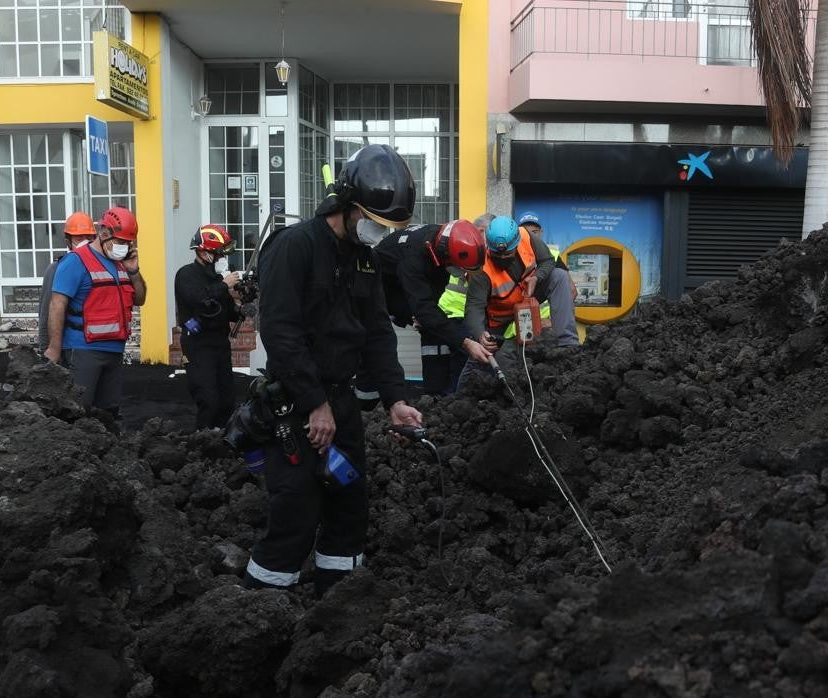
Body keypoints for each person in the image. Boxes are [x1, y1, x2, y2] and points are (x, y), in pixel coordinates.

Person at [241, 143, 423, 597]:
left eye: (390, 227)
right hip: (297, 406)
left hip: (340, 406)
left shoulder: (364, 258)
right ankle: (263, 606)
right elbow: (280, 333)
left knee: (348, 501)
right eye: (376, 222)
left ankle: (337, 602)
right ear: (346, 205)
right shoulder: (294, 247)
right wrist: (314, 403)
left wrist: (396, 400)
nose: (381, 233)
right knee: (297, 509)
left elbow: (378, 333)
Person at [43, 206, 145, 419]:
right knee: (79, 410)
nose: (124, 247)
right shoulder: (75, 261)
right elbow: (56, 305)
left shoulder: (121, 264)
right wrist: (53, 348)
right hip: (83, 349)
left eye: (128, 243)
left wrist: (134, 271)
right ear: (104, 233)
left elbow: (140, 299)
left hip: (114, 350)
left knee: (108, 412)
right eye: (120, 242)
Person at [372, 219, 491, 396]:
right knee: (378, 346)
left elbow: (432, 294)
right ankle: (371, 403)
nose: (462, 273)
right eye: (461, 268)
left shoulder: (440, 245)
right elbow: (423, 307)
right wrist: (465, 343)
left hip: (403, 288)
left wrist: (424, 316)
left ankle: (437, 398)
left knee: (434, 330)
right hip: (377, 292)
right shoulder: (414, 256)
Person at [464, 215, 580, 356]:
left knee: (559, 276)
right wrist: (479, 334)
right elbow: (474, 306)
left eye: (507, 254)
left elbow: (547, 261)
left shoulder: (526, 237)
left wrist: (537, 277)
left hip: (528, 294)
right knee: (481, 359)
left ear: (517, 243)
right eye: (497, 255)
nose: (502, 258)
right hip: (498, 316)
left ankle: (567, 345)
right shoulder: (481, 269)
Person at [175, 224, 243, 430]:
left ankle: (223, 444)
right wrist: (225, 285)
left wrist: (241, 305)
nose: (222, 259)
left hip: (220, 342)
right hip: (198, 344)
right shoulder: (186, 275)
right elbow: (200, 299)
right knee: (208, 399)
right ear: (204, 253)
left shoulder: (217, 279)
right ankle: (203, 444)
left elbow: (228, 312)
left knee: (227, 400)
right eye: (219, 254)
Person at [37, 212, 97, 356]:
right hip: (69, 347)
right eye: (79, 238)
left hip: (97, 347)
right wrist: (46, 349)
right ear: (68, 241)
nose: (85, 242)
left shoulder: (100, 267)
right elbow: (46, 313)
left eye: (89, 238)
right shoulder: (56, 269)